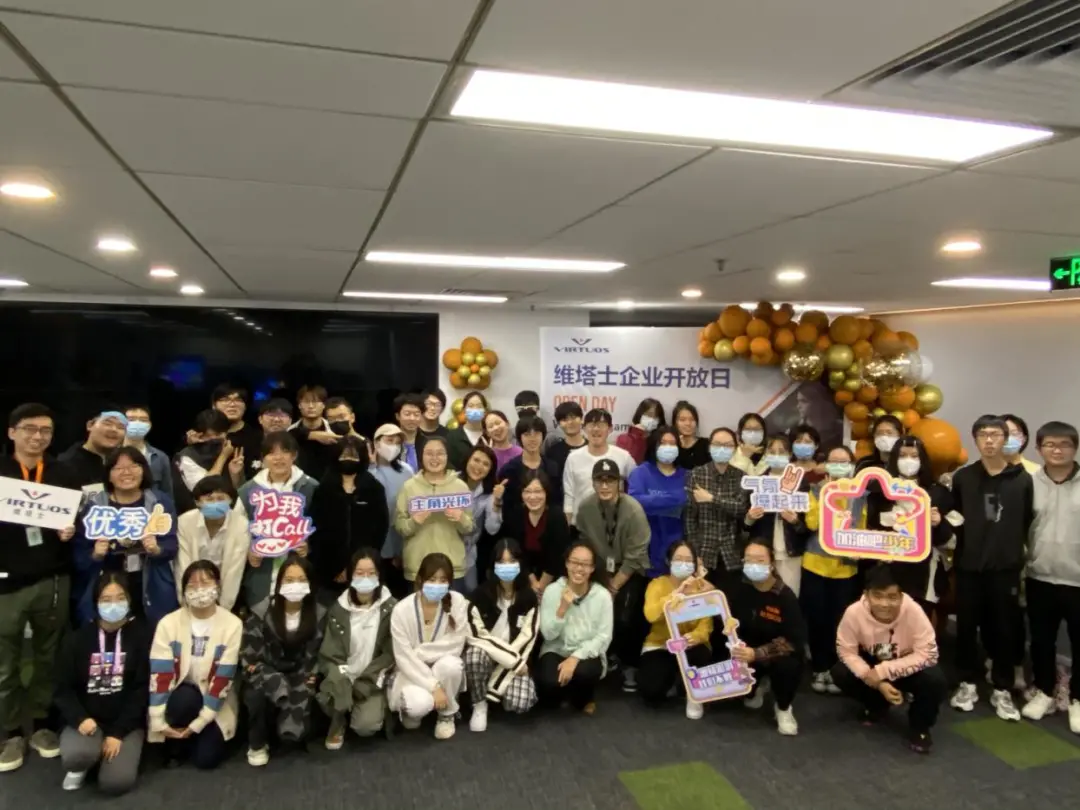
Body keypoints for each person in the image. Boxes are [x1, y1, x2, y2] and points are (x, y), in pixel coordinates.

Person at [0, 403, 75, 771]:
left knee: (48, 657)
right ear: (12, 432)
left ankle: (43, 725)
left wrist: (70, 530)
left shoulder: (62, 473)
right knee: (5, 663)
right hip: (6, 582)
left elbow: (76, 518)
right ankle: (11, 731)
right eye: (30, 428)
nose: (38, 436)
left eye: (45, 430)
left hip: (52, 578)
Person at [949, 415, 1033, 721]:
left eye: (995, 434)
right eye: (983, 434)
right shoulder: (963, 477)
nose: (989, 440)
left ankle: (1002, 688)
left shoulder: (1022, 480)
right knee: (966, 628)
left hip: (1005, 569)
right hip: (969, 567)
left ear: (1005, 439)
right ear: (975, 439)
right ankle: (967, 683)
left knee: (1003, 629)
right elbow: (955, 518)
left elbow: (1027, 522)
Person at [832, 563, 947, 754]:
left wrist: (884, 671)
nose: (885, 604)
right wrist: (877, 682)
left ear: (901, 596)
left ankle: (920, 727)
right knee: (840, 672)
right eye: (877, 596)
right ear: (866, 595)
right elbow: (846, 651)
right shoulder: (853, 612)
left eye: (892, 597)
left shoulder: (914, 611)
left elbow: (929, 654)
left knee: (935, 680)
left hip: (906, 663)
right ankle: (876, 704)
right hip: (872, 663)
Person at [55, 571, 149, 794]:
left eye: (120, 598)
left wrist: (118, 732)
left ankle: (105, 753)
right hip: (88, 720)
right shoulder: (77, 639)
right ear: (96, 602)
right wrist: (80, 718)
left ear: (129, 600)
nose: (114, 605)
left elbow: (142, 689)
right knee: (76, 756)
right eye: (106, 600)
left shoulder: (142, 636)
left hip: (125, 723)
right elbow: (62, 688)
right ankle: (87, 760)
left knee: (116, 783)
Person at [149, 560, 242, 770]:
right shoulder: (168, 623)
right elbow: (160, 676)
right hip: (179, 697)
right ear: (183, 591)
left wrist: (200, 723)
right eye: (192, 585)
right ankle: (175, 740)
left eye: (206, 583)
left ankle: (191, 735)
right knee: (184, 699)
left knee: (206, 760)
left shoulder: (233, 624)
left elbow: (222, 679)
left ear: (218, 586)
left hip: (214, 701)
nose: (200, 590)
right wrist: (157, 720)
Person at [73, 447, 179, 628]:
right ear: (108, 475)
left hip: (150, 582)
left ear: (144, 470)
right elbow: (79, 554)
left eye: (133, 466)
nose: (127, 472)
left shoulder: (159, 502)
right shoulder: (95, 506)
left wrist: (156, 549)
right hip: (107, 582)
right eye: (118, 468)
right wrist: (95, 554)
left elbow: (171, 545)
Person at [1021, 421, 1080, 732]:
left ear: (1075, 448)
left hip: (1077, 580)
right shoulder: (1029, 483)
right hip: (1040, 576)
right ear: (1039, 448)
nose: (1057, 450)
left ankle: (1078, 699)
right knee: (1041, 640)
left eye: (1065, 444)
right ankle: (1044, 691)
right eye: (1050, 444)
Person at [240, 553, 325, 766]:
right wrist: (273, 677)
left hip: (301, 671)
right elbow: (250, 657)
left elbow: (319, 654)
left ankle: (299, 733)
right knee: (255, 694)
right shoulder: (261, 612)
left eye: (301, 580)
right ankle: (258, 744)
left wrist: (312, 674)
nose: (295, 585)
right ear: (278, 584)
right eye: (289, 580)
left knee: (312, 691)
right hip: (267, 671)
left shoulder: (320, 614)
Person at [575, 459, 650, 692]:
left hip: (630, 569)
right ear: (593, 483)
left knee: (626, 616)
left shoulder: (633, 510)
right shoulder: (586, 507)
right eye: (600, 481)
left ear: (620, 483)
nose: (605, 486)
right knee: (590, 611)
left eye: (610, 481)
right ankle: (601, 657)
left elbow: (637, 554)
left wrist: (614, 586)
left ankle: (629, 664)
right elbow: (583, 542)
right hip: (598, 568)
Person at [317, 549, 396, 748]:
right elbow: (329, 654)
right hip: (344, 676)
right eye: (359, 573)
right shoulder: (337, 609)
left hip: (371, 679)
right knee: (326, 698)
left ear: (379, 575)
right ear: (350, 575)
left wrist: (365, 682)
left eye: (371, 573)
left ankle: (370, 707)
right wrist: (340, 677)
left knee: (365, 727)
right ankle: (339, 719)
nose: (365, 578)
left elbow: (390, 654)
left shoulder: (392, 608)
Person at [801, 445, 863, 695]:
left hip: (846, 568)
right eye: (833, 460)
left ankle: (836, 670)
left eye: (844, 461)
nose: (838, 465)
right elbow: (812, 523)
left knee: (840, 621)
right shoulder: (815, 490)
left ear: (852, 465)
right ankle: (819, 668)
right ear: (825, 465)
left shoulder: (861, 493)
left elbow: (863, 526)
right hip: (815, 564)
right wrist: (829, 494)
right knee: (817, 619)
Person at [388, 553, 469, 739]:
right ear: (420, 579)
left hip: (441, 666)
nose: (437, 585)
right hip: (411, 671)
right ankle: (417, 710)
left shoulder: (457, 602)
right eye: (432, 579)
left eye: (443, 580)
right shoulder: (401, 610)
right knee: (418, 706)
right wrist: (433, 685)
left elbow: (455, 644)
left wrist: (419, 653)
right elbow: (403, 657)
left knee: (452, 665)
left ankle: (446, 714)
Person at [238, 431, 319, 616]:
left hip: (299, 571)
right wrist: (248, 550)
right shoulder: (247, 491)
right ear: (263, 458)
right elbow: (237, 530)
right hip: (261, 574)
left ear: (294, 455)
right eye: (272, 453)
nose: (278, 458)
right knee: (261, 620)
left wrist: (309, 545)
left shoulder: (311, 487)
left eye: (284, 452)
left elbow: (325, 529)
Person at [869, 437, 954, 613]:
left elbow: (949, 540)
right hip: (886, 571)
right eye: (903, 455)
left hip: (923, 573)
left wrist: (939, 523)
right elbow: (868, 529)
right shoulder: (878, 491)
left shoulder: (938, 492)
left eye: (914, 456)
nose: (908, 460)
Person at [731, 538, 806, 736]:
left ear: (772, 563)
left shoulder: (784, 596)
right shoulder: (739, 589)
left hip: (776, 654)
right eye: (749, 559)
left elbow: (794, 641)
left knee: (789, 665)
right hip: (746, 651)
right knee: (741, 699)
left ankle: (783, 708)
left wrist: (757, 653)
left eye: (760, 560)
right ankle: (757, 686)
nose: (754, 565)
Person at [465, 539, 540, 731]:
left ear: (520, 564)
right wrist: (512, 661)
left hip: (514, 659)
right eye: (501, 562)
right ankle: (480, 704)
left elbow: (528, 638)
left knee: (521, 702)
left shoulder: (529, 597)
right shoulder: (479, 595)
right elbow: (477, 636)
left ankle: (493, 691)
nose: (507, 566)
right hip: (490, 656)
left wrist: (512, 662)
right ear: (493, 565)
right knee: (474, 654)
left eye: (512, 561)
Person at [307, 436, 389, 602]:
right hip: (328, 573)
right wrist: (334, 568)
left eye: (354, 456)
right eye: (344, 455)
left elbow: (380, 529)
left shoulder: (374, 488)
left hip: (365, 569)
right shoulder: (323, 489)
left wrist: (356, 566)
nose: (348, 460)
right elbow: (315, 530)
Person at [638, 540, 713, 719]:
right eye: (678, 559)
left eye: (688, 560)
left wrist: (695, 636)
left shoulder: (703, 587)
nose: (683, 564)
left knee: (701, 655)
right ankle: (675, 679)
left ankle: (693, 694)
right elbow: (651, 615)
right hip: (661, 645)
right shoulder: (657, 584)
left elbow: (706, 624)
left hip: (691, 646)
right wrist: (676, 594)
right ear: (669, 561)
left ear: (695, 564)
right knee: (651, 692)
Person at [537, 541, 613, 714]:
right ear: (566, 563)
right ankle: (564, 692)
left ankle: (583, 698)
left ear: (592, 568)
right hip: (556, 649)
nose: (579, 568)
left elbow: (604, 637)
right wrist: (562, 609)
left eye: (585, 564)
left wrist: (575, 658)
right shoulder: (552, 590)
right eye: (575, 562)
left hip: (586, 652)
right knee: (548, 685)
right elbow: (548, 635)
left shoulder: (602, 595)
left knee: (586, 672)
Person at [395, 436, 475, 590]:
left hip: (453, 568)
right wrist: (414, 521)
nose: (434, 458)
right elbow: (399, 527)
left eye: (440, 453)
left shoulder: (460, 486)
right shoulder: (409, 487)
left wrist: (461, 518)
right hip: (417, 569)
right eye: (429, 453)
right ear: (421, 456)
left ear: (447, 456)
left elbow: (470, 528)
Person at [683, 427, 751, 601]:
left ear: (735, 448)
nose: (722, 449)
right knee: (704, 604)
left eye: (727, 445)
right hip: (704, 553)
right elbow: (690, 518)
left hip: (732, 554)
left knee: (731, 605)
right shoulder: (697, 474)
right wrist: (695, 553)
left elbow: (741, 509)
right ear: (710, 447)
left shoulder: (742, 477)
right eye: (717, 444)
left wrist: (711, 498)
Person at [743, 434, 809, 597]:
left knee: (789, 596)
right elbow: (744, 525)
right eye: (772, 452)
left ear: (790, 454)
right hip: (763, 553)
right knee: (762, 596)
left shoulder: (801, 484)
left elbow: (807, 528)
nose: (776, 455)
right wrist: (750, 518)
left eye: (781, 452)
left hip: (790, 553)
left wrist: (795, 521)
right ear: (765, 454)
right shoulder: (757, 483)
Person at [175, 476, 248, 613]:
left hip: (226, 591)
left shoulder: (241, 524)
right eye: (209, 499)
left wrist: (223, 610)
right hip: (192, 589)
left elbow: (234, 571)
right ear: (197, 502)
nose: (215, 503)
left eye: (221, 498)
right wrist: (187, 603)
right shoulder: (184, 522)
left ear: (230, 501)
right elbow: (183, 566)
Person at [627, 427, 688, 578]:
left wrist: (652, 501)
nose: (668, 447)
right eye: (663, 443)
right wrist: (674, 499)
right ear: (654, 445)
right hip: (646, 544)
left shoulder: (687, 475)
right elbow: (635, 502)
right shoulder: (640, 473)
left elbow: (689, 502)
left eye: (672, 443)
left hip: (678, 547)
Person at [562, 409, 636, 525]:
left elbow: (636, 486)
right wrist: (568, 524)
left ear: (610, 429)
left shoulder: (623, 457)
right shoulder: (573, 458)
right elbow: (569, 494)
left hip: (613, 524)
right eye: (591, 425)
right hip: (581, 524)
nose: (596, 429)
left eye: (601, 425)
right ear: (584, 428)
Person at [505, 470, 571, 595]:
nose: (532, 497)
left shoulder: (556, 516)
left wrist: (542, 586)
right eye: (527, 491)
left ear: (546, 492)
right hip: (525, 575)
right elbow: (517, 553)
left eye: (538, 491)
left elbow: (556, 556)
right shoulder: (516, 515)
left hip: (555, 577)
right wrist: (532, 581)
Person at [498, 415, 561, 536]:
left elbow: (556, 501)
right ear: (519, 438)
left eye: (536, 434)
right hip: (517, 530)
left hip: (549, 529)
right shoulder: (509, 470)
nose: (532, 439)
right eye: (527, 434)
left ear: (543, 436)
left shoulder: (552, 467)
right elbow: (507, 507)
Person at [371, 424, 414, 597]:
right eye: (389, 441)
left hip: (400, 543)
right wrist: (371, 465)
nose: (393, 446)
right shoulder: (366, 471)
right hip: (375, 544)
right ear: (376, 443)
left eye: (397, 443)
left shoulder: (406, 470)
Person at [459, 445, 504, 591]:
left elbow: (492, 529)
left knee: (471, 592)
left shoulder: (489, 493)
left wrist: (497, 502)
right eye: (476, 460)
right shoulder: (451, 481)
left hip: (468, 555)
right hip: (444, 550)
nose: (479, 467)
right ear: (467, 460)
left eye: (486, 464)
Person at [174, 409, 245, 500]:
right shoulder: (186, 457)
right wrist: (223, 457)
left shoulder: (232, 450)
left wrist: (235, 476)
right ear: (198, 434)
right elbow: (206, 489)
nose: (214, 439)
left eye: (218, 434)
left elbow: (241, 490)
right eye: (208, 436)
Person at [59, 410, 128, 491]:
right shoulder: (67, 464)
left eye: (121, 427)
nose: (114, 429)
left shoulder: (120, 461)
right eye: (107, 424)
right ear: (90, 425)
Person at [210, 384, 262, 479]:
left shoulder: (258, 437)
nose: (232, 404)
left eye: (238, 400)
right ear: (214, 405)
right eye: (225, 400)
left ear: (245, 406)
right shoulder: (204, 437)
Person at [124, 404, 174, 497]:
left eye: (143, 420)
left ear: (149, 425)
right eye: (131, 420)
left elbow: (167, 492)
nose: (137, 423)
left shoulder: (160, 457)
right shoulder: (110, 454)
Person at [289, 387, 338, 481]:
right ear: (299, 405)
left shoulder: (334, 431)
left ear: (323, 405)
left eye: (315, 402)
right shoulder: (290, 432)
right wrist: (312, 435)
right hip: (297, 484)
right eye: (306, 402)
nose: (311, 406)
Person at [543, 402, 587, 483]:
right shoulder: (553, 453)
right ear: (559, 424)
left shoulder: (593, 448)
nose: (570, 422)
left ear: (582, 419)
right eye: (564, 420)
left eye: (573, 417)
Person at [446, 391, 488, 472]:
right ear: (464, 411)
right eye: (471, 406)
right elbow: (449, 464)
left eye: (479, 406)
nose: (475, 410)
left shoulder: (489, 436)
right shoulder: (452, 436)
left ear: (485, 411)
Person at [616, 398, 665, 464]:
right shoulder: (623, 439)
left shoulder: (661, 440)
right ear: (640, 414)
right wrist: (637, 434)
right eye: (649, 415)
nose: (652, 419)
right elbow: (633, 462)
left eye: (656, 416)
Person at [671, 401, 710, 469]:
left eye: (692, 419)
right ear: (675, 423)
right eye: (682, 420)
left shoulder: (706, 444)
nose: (688, 423)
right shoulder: (670, 446)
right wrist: (681, 449)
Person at [393, 392, 425, 471]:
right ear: (397, 416)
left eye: (416, 414)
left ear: (421, 417)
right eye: (407, 414)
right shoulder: (390, 443)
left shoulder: (428, 443)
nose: (412, 418)